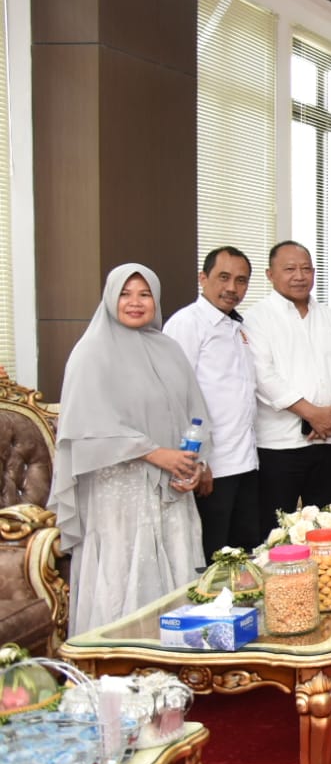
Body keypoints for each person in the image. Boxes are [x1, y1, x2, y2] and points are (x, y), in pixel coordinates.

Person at [51, 264, 207, 635]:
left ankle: (175, 657)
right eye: (125, 294)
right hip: (119, 488)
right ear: (110, 298)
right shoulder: (91, 351)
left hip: (171, 482)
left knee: (175, 561)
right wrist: (155, 454)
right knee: (125, 567)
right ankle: (118, 657)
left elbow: (194, 414)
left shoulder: (169, 349)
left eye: (144, 294)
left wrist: (192, 463)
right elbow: (90, 424)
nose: (135, 302)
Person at [246, 241, 331, 540]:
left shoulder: (330, 317)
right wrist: (313, 414)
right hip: (280, 445)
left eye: (306, 269)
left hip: (328, 438)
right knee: (277, 531)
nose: (299, 276)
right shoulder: (256, 318)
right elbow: (263, 376)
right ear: (270, 274)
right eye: (290, 269)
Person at [163, 246, 258, 557]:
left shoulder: (237, 327)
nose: (232, 288)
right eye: (223, 277)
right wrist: (198, 462)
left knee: (244, 554)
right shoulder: (187, 324)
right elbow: (175, 397)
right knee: (212, 558)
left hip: (244, 462)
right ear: (202, 278)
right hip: (211, 468)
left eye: (241, 281)